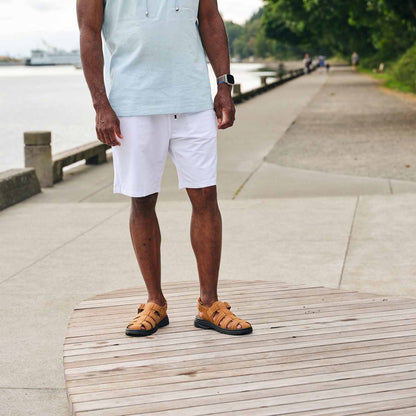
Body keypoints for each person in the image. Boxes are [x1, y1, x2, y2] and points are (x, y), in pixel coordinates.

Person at [76, 0, 252, 336]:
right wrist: (101, 104)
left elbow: (210, 18)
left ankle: (209, 304)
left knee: (205, 197)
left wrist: (224, 85)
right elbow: (89, 32)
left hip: (193, 101)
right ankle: (154, 302)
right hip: (133, 103)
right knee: (141, 200)